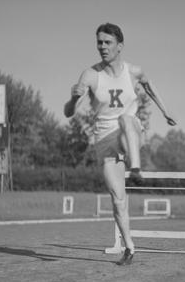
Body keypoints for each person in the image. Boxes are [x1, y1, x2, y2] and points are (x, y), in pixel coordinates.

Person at [64, 22, 176, 266]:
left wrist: (165, 112)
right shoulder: (91, 75)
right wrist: (73, 99)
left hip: (131, 132)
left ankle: (135, 168)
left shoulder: (133, 71)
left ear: (120, 46)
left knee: (125, 118)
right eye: (99, 43)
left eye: (108, 42)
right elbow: (68, 113)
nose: (102, 47)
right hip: (105, 140)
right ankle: (130, 247)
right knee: (117, 198)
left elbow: (149, 86)